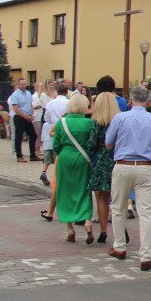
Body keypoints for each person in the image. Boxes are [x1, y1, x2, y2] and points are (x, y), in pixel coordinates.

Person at [105, 85, 151, 270]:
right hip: (146, 167)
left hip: (123, 165)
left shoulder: (119, 118)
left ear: (130, 100)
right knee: (146, 212)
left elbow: (108, 144)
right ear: (148, 100)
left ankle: (119, 247)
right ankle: (146, 255)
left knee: (117, 208)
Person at [52, 93, 95, 244]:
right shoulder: (89, 123)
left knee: (65, 191)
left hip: (65, 158)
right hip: (83, 159)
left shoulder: (61, 122)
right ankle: (88, 222)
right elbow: (92, 143)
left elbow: (55, 145)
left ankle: (70, 228)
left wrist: (61, 153)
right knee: (84, 190)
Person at [86, 92, 120, 244]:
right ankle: (121, 228)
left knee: (102, 197)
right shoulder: (119, 121)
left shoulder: (96, 123)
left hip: (102, 160)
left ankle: (103, 230)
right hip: (118, 160)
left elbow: (92, 145)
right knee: (120, 196)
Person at [41, 82, 71, 191]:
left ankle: (45, 172)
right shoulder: (69, 103)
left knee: (49, 152)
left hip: (53, 128)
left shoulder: (51, 103)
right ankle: (60, 175)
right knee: (60, 154)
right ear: (67, 92)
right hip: (65, 129)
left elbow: (46, 118)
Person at [8, 79, 39, 164]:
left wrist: (31, 114)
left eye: (25, 84)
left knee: (33, 135)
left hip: (28, 117)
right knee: (19, 137)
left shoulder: (28, 93)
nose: (24, 86)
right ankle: (19, 156)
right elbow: (16, 108)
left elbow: (30, 105)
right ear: (18, 85)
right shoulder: (15, 95)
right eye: (22, 84)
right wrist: (25, 117)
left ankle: (32, 155)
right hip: (19, 117)